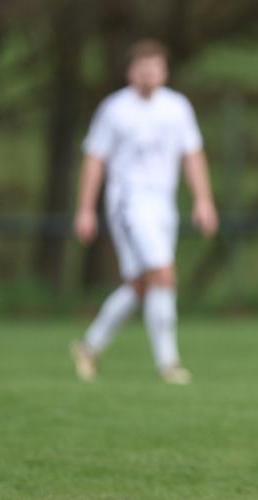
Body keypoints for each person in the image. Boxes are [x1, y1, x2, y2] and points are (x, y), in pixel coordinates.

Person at [69, 39, 218, 384]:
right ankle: (168, 363)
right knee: (163, 274)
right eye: (142, 68)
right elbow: (94, 160)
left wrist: (203, 201)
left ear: (164, 72)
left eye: (155, 67)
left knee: (140, 284)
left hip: (162, 203)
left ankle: (89, 347)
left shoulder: (177, 107)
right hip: (128, 201)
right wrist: (85, 209)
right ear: (130, 72)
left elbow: (192, 155)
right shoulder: (115, 108)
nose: (148, 74)